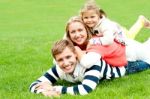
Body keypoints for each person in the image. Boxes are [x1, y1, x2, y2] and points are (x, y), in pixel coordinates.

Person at [29, 39, 150, 97]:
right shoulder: (58, 68)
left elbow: (86, 89)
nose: (65, 63)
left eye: (68, 57)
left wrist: (57, 89)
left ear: (76, 55)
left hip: (124, 68)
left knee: (148, 62)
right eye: (60, 59)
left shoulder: (90, 65)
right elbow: (34, 84)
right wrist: (43, 91)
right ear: (56, 60)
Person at [78, 0, 150, 66]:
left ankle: (141, 21)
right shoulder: (91, 24)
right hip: (116, 33)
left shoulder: (104, 25)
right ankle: (141, 22)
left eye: (92, 17)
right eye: (86, 18)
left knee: (133, 43)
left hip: (119, 35)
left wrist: (93, 41)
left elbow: (108, 40)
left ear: (98, 16)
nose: (89, 20)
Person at [65, 16, 150, 68]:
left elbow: (87, 63)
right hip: (125, 58)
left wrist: (76, 49)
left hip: (131, 51)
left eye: (80, 30)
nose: (77, 34)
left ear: (86, 30)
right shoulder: (77, 41)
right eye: (73, 32)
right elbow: (56, 59)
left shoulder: (96, 41)